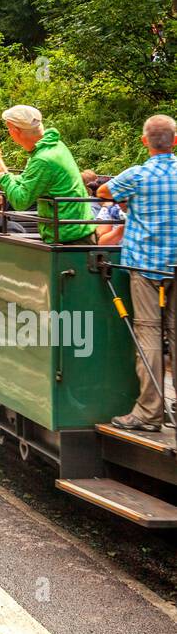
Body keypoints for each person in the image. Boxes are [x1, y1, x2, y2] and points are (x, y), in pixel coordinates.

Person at [97, 114, 177, 432]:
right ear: (175, 141)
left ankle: (149, 411)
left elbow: (104, 191)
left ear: (145, 142)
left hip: (146, 265)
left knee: (148, 333)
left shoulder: (138, 176)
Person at [0, 105, 94, 244]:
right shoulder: (54, 146)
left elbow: (20, 201)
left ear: (15, 131)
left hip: (68, 237)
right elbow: (27, 180)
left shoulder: (43, 159)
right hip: (77, 230)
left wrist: (1, 170)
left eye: (8, 129)